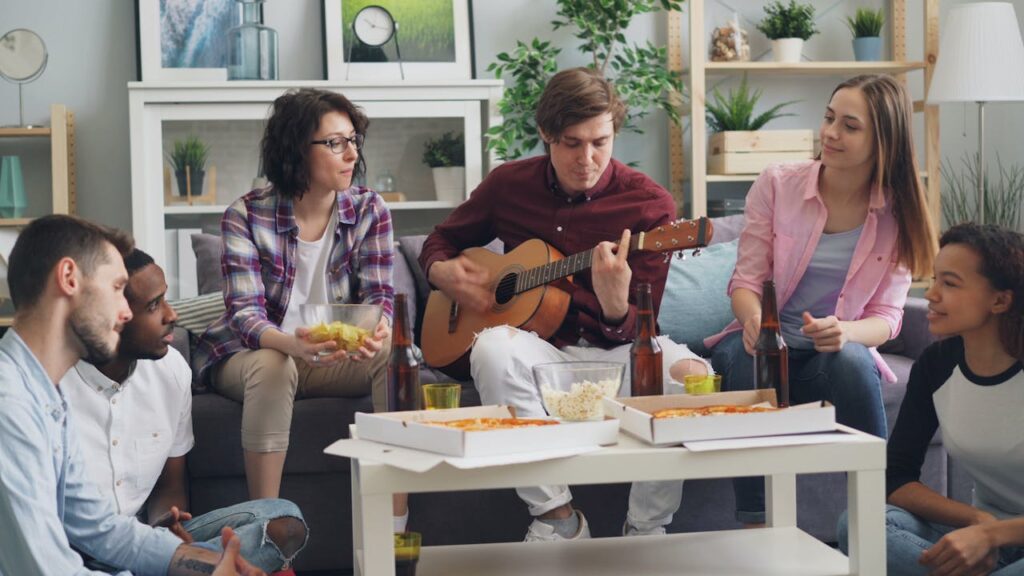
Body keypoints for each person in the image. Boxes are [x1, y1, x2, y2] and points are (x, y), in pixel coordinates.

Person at [419, 66, 710, 541]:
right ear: (545, 135)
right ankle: (557, 519)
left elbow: (639, 329)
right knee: (492, 347)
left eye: (600, 141)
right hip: (542, 354)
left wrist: (617, 307)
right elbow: (442, 239)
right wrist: (441, 271)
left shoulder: (648, 206)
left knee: (691, 381)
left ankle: (645, 531)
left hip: (618, 353)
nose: (588, 158)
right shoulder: (508, 185)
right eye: (572, 143)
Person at [703, 74, 938, 527]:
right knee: (736, 358)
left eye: (850, 126)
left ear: (883, 141)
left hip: (831, 354)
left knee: (853, 361)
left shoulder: (900, 210)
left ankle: (879, 515)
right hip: (765, 350)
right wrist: (754, 321)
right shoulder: (777, 184)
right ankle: (756, 522)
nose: (830, 133)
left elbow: (888, 318)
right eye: (830, 118)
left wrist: (846, 331)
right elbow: (746, 280)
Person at [0, 214, 263, 575]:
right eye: (116, 287)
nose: (125, 313)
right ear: (69, 279)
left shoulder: (46, 397)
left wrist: (205, 566)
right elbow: (46, 570)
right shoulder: (9, 406)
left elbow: (100, 528)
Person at [194, 88, 394, 511]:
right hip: (254, 354)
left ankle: (393, 526)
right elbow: (245, 316)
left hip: (329, 358)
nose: (351, 154)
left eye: (353, 139)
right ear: (295, 149)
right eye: (335, 143)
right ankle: (266, 534)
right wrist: (292, 344)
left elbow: (380, 295)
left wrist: (379, 330)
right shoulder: (246, 214)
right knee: (274, 365)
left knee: (393, 353)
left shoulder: (370, 209)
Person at [62, 249, 308, 573]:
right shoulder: (50, 386)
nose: (171, 315)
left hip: (145, 541)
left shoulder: (171, 370)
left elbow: (170, 485)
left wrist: (165, 526)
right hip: (67, 552)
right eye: (154, 306)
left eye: (165, 299)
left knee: (283, 523)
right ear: (111, 317)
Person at [837, 223, 1024, 575]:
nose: (932, 295)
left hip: (1001, 536)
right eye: (935, 279)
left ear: (1000, 300)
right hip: (985, 537)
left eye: (950, 283)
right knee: (861, 524)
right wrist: (978, 522)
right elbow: (896, 477)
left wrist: (994, 533)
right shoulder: (937, 365)